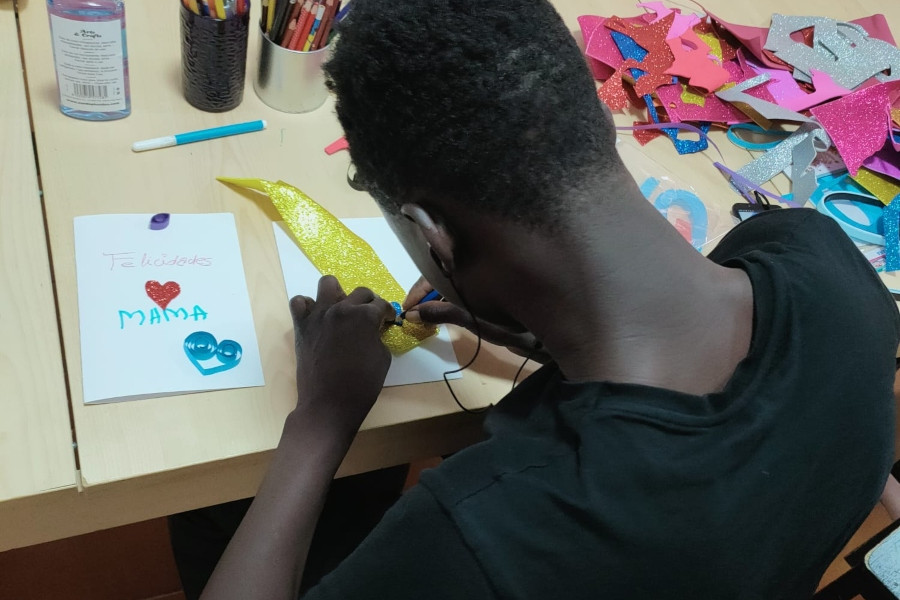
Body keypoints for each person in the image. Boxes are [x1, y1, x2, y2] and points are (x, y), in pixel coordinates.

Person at [198, 0, 900, 598]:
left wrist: (319, 423)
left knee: (218, 516)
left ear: (430, 233)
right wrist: (545, 342)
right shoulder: (822, 260)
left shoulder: (486, 532)